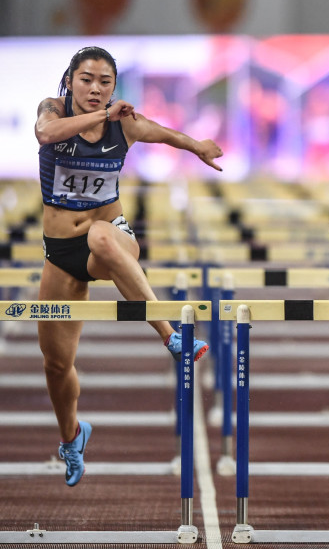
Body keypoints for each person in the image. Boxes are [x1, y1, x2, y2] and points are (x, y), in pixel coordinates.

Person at [35, 46, 223, 485]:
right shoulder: (53, 110)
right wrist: (103, 115)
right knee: (56, 365)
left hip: (113, 239)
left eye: (105, 82)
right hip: (60, 252)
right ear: (70, 80)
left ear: (114, 86)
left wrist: (197, 147)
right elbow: (46, 134)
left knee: (100, 235)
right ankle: (72, 436)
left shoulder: (123, 123)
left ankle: (171, 336)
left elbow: (161, 133)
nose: (95, 89)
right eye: (87, 80)